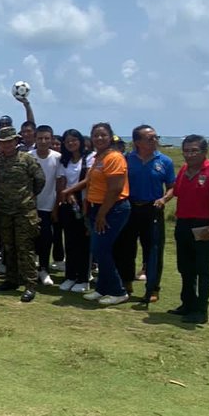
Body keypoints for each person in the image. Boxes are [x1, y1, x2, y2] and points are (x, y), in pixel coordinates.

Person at [162, 134, 209, 324]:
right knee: (185, 267)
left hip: (203, 223)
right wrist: (164, 198)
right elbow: (178, 191)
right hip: (183, 223)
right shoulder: (184, 169)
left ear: (204, 152)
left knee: (203, 269)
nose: (189, 155)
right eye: (186, 151)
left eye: (194, 151)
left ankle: (201, 309)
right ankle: (187, 303)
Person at [116, 125, 175, 303]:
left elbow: (172, 187)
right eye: (150, 138)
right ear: (137, 142)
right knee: (126, 247)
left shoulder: (164, 161)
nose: (155, 141)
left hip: (153, 209)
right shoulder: (127, 160)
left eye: (156, 137)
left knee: (154, 249)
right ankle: (126, 282)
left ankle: (153, 287)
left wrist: (164, 199)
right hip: (130, 208)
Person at [75, 123, 130, 306]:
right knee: (99, 250)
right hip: (96, 207)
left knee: (101, 249)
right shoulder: (99, 157)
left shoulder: (114, 157)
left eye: (103, 135)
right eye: (95, 135)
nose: (99, 138)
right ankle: (102, 289)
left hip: (112, 209)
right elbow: (90, 182)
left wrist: (102, 214)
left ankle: (118, 291)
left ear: (110, 137)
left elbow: (115, 189)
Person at [0, 125, 44, 302]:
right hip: (4, 211)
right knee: (8, 247)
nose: (6, 146)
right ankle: (11, 279)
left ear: (16, 142)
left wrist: (27, 198)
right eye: (2, 143)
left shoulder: (27, 159)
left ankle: (30, 284)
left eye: (9, 142)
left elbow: (40, 181)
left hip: (24, 212)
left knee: (25, 249)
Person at [54, 128, 90, 293]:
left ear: (80, 141)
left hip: (84, 203)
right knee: (69, 242)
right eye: (67, 141)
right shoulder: (64, 161)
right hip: (68, 205)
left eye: (74, 140)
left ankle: (83, 278)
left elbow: (88, 180)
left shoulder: (89, 158)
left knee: (83, 243)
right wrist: (64, 196)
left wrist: (70, 191)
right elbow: (61, 181)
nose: (71, 143)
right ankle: (70, 276)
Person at [31, 125, 61, 286]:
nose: (43, 141)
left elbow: (59, 184)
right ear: (35, 139)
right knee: (29, 241)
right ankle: (30, 271)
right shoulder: (28, 156)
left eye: (46, 138)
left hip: (48, 207)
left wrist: (56, 207)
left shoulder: (57, 157)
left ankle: (44, 269)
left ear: (51, 139)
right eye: (40, 138)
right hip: (29, 207)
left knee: (46, 240)